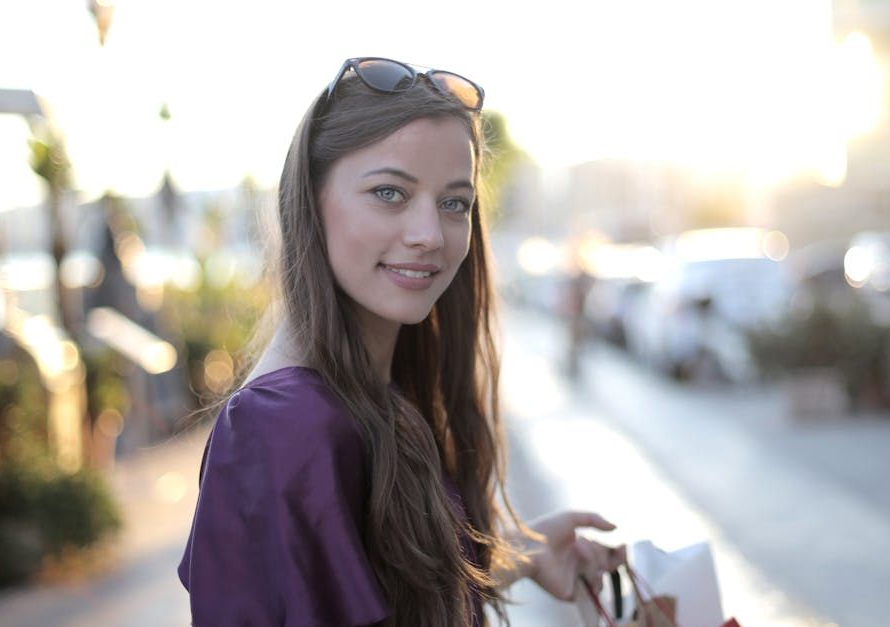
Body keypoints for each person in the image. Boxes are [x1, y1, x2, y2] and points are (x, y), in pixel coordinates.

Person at [177, 57, 627, 626]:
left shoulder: (355, 395)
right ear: (311, 206)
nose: (430, 235)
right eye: (390, 193)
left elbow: (386, 592)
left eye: (454, 202)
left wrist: (523, 555)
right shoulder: (285, 425)